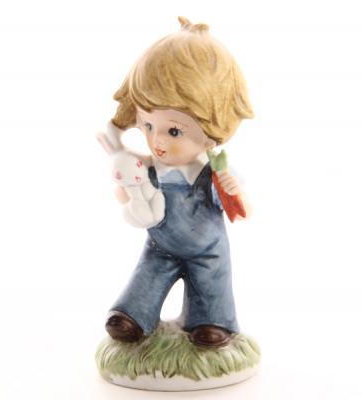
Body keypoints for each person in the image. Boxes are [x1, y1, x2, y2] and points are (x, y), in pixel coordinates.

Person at [102, 16, 254, 348]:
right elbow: (126, 195)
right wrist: (126, 188)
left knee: (211, 288)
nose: (157, 141)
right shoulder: (151, 167)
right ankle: (133, 316)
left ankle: (212, 322)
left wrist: (233, 191)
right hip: (161, 248)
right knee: (147, 277)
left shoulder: (213, 172)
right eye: (148, 126)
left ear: (211, 133)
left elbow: (242, 211)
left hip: (208, 252)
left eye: (174, 131)